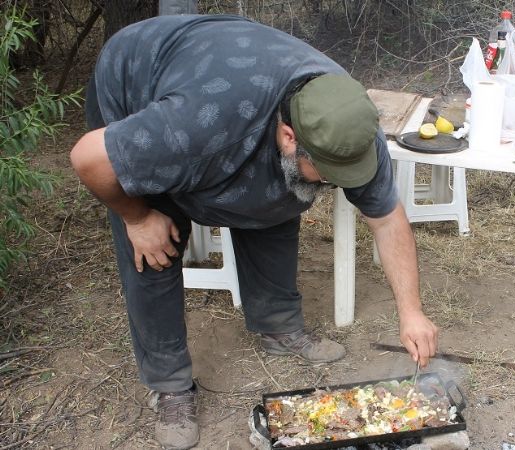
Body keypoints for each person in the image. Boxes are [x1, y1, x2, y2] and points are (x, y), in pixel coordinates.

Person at [69, 14, 439, 450]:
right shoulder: (191, 128)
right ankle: (170, 384)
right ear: (288, 135)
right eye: (330, 171)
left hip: (235, 80)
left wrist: (412, 312)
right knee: (155, 243)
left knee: (284, 192)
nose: (339, 181)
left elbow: (387, 218)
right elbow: (89, 158)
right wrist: (136, 218)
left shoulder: (347, 126)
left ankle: (277, 324)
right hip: (140, 77)